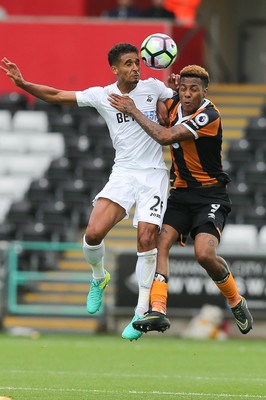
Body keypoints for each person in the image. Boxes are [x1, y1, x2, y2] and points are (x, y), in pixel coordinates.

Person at [1, 44, 179, 341]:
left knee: (147, 238)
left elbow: (179, 109)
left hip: (153, 175)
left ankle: (139, 313)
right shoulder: (103, 95)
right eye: (128, 64)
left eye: (138, 62)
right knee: (93, 234)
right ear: (115, 69)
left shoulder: (154, 87)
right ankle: (99, 277)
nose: (136, 68)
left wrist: (172, 94)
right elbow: (57, 95)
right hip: (123, 172)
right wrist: (23, 83)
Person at [108, 64, 253, 336]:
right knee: (161, 242)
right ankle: (158, 310)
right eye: (183, 88)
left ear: (204, 91)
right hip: (181, 194)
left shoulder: (209, 115)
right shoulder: (174, 103)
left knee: (204, 254)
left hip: (210, 195)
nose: (187, 94)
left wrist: (133, 109)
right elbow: (163, 102)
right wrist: (167, 95)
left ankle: (235, 299)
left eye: (194, 89)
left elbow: (165, 136)